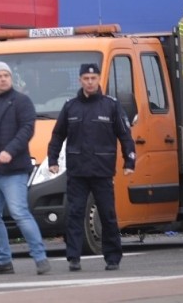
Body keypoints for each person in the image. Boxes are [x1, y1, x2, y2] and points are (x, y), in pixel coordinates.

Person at [46, 63, 136, 272]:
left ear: (99, 80)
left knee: (107, 214)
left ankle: (112, 258)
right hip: (77, 171)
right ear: (80, 80)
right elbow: (58, 135)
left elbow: (125, 135)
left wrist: (129, 161)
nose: (89, 82)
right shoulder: (70, 107)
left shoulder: (111, 106)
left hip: (102, 171)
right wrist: (52, 160)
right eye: (85, 78)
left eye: (93, 78)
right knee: (75, 213)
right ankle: (74, 258)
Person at [0, 61, 52, 276]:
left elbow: (27, 129)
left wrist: (10, 151)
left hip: (13, 171)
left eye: (6, 75)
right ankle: (3, 260)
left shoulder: (21, 102)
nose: (3, 78)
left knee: (19, 213)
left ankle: (40, 258)